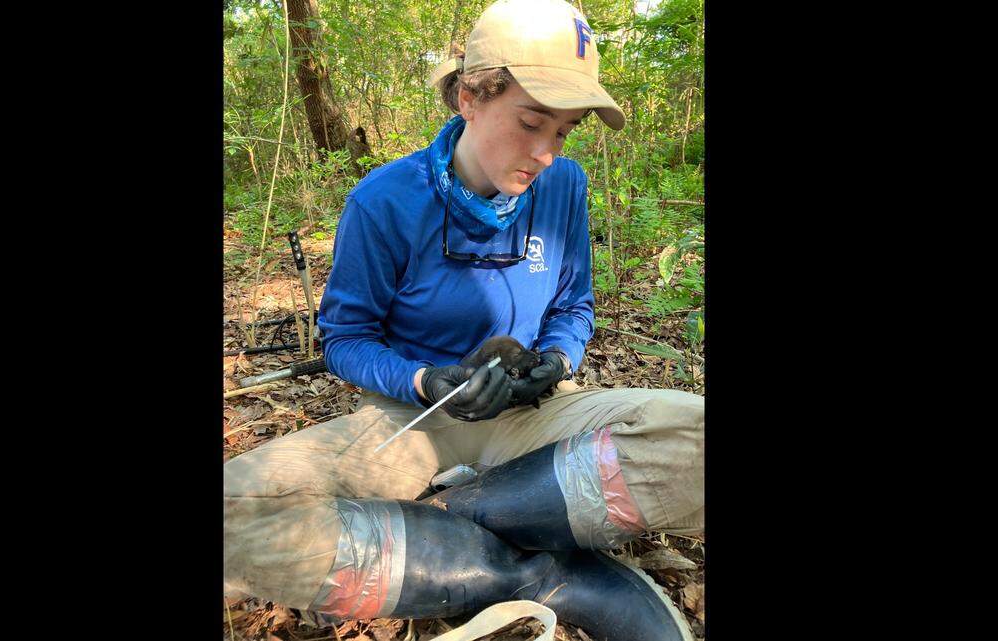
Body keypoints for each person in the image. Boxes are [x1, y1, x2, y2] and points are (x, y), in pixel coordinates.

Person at [224, 1, 703, 639]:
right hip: (415, 424)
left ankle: (446, 523)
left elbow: (572, 308)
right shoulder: (385, 202)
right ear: (471, 97)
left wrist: (555, 362)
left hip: (532, 416)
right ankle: (526, 574)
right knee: (233, 509)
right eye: (531, 122)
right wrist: (426, 380)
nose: (545, 154)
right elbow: (344, 340)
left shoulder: (564, 189)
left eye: (563, 132)